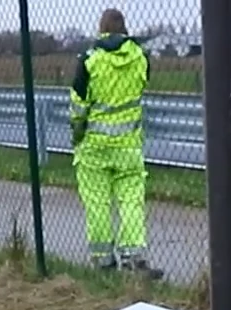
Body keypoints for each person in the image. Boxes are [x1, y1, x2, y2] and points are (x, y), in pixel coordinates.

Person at [70, 9, 160, 277]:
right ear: (124, 29)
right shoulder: (140, 57)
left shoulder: (89, 60)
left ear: (102, 29)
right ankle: (133, 258)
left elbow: (78, 103)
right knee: (131, 199)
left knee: (97, 202)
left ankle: (103, 260)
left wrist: (76, 131)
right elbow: (140, 88)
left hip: (94, 147)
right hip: (128, 145)